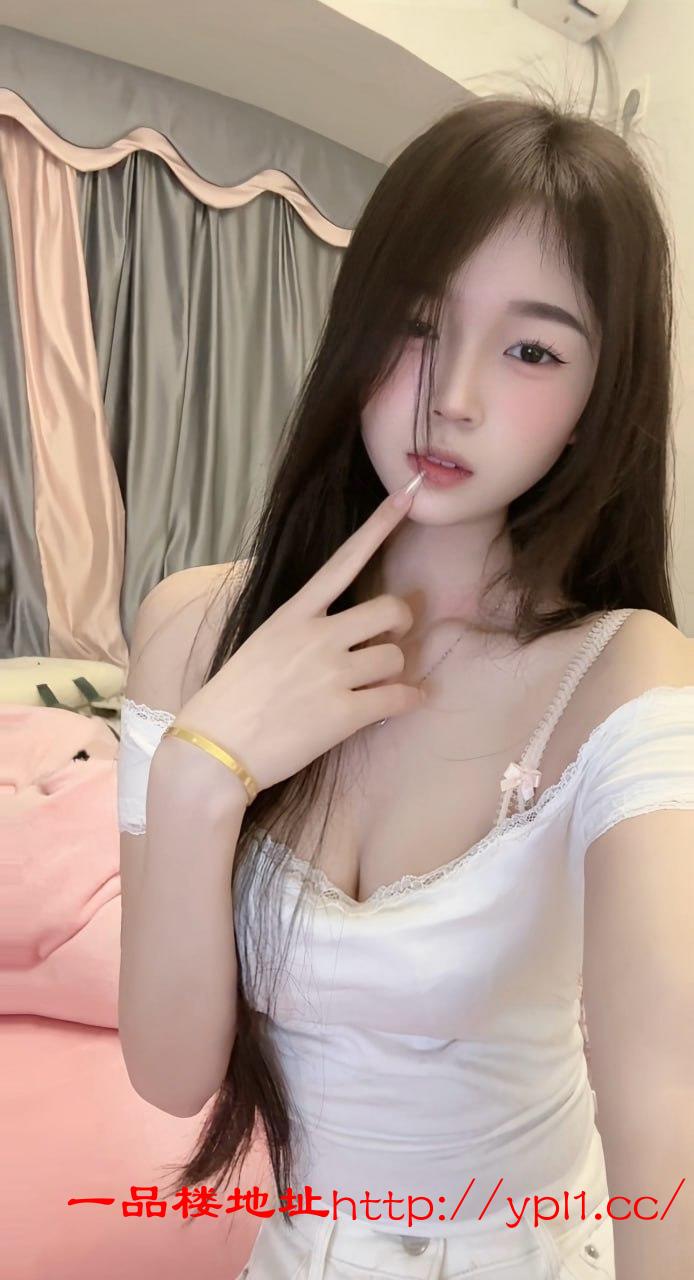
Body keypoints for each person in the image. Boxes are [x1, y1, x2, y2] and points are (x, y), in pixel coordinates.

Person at [117, 90, 694, 1280]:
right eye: (420, 323)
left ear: (595, 405)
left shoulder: (621, 674)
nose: (454, 395)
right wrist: (197, 778)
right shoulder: (191, 630)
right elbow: (172, 1076)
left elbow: (666, 1095)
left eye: (532, 350)